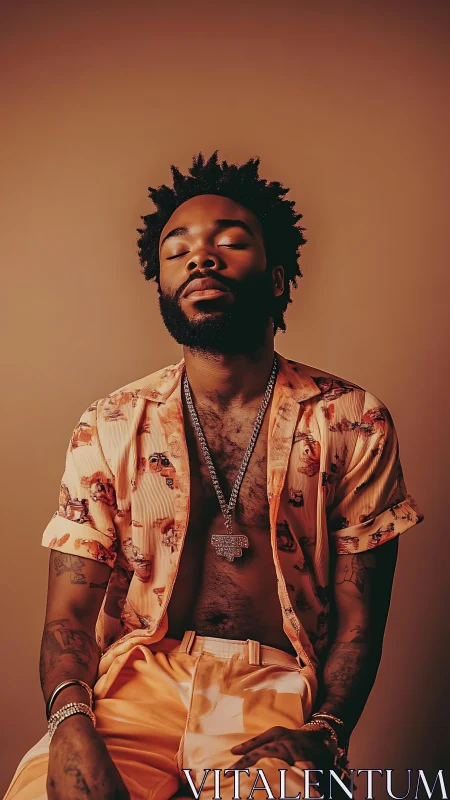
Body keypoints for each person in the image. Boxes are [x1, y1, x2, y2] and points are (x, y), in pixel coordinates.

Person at [4, 152, 424, 800]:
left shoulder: (351, 421)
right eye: (178, 251)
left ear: (279, 279)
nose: (202, 258)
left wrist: (328, 731)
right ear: (162, 289)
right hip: (132, 685)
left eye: (230, 242)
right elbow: (68, 616)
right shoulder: (111, 423)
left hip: (275, 695)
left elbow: (358, 619)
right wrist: (69, 722)